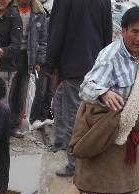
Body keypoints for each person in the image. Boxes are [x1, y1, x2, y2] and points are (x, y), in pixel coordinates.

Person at [69, 6, 139, 194]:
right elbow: (86, 87)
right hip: (104, 140)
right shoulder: (111, 55)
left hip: (128, 144)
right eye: (135, 31)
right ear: (124, 30)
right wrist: (104, 93)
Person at [45, 0, 112, 176]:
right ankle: (60, 143)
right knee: (63, 104)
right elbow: (107, 31)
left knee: (73, 116)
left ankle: (75, 163)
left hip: (73, 64)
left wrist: (49, 64)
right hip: (94, 63)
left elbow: (56, 30)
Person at [7, 0, 46, 138]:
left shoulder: (38, 12)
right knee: (8, 92)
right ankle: (2, 124)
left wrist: (39, 60)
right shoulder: (9, 7)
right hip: (11, 54)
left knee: (20, 92)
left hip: (27, 56)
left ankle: (14, 125)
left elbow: (42, 39)